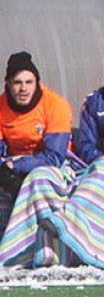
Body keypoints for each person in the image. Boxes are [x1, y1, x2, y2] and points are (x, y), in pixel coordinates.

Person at [0, 42, 104, 269]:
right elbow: (86, 147)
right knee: (42, 181)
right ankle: (33, 252)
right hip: (94, 164)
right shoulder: (93, 101)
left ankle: (81, 235)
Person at [0, 52, 73, 261]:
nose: (23, 89)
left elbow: (54, 156)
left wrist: (18, 165)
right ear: (8, 83)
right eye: (18, 83)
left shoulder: (55, 105)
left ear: (37, 83)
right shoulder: (1, 107)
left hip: (53, 168)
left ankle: (45, 249)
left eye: (29, 82)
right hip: (12, 167)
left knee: (37, 180)